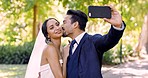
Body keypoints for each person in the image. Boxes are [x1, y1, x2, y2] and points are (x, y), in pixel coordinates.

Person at [62, 5, 126, 78]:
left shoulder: (93, 41)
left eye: (64, 22)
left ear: (75, 25)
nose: (62, 26)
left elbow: (109, 40)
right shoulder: (67, 49)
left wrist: (117, 26)